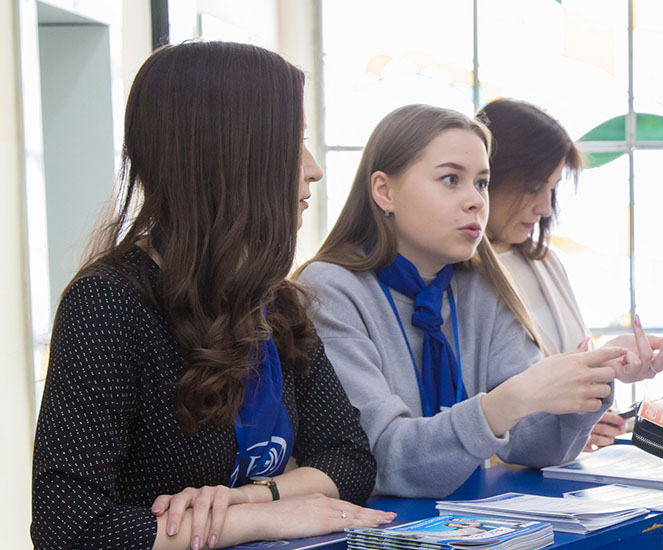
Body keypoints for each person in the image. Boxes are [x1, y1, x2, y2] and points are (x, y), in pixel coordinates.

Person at [31, 42, 393, 550]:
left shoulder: (275, 301)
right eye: (294, 143)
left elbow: (350, 460)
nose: (313, 168)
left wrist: (248, 498)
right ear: (230, 156)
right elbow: (69, 529)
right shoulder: (106, 305)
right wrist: (267, 519)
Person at [297, 104, 656, 499]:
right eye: (451, 179)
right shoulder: (330, 289)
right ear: (385, 191)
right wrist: (508, 401)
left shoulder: (479, 286)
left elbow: (536, 446)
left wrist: (592, 375)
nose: (475, 201)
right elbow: (383, 460)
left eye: (482, 183)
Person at [476, 98, 663, 450]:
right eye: (533, 188)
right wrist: (568, 427)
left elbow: (564, 367)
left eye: (552, 189)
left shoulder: (544, 262)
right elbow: (477, 415)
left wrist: (607, 369)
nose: (544, 209)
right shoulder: (458, 277)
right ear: (490, 176)